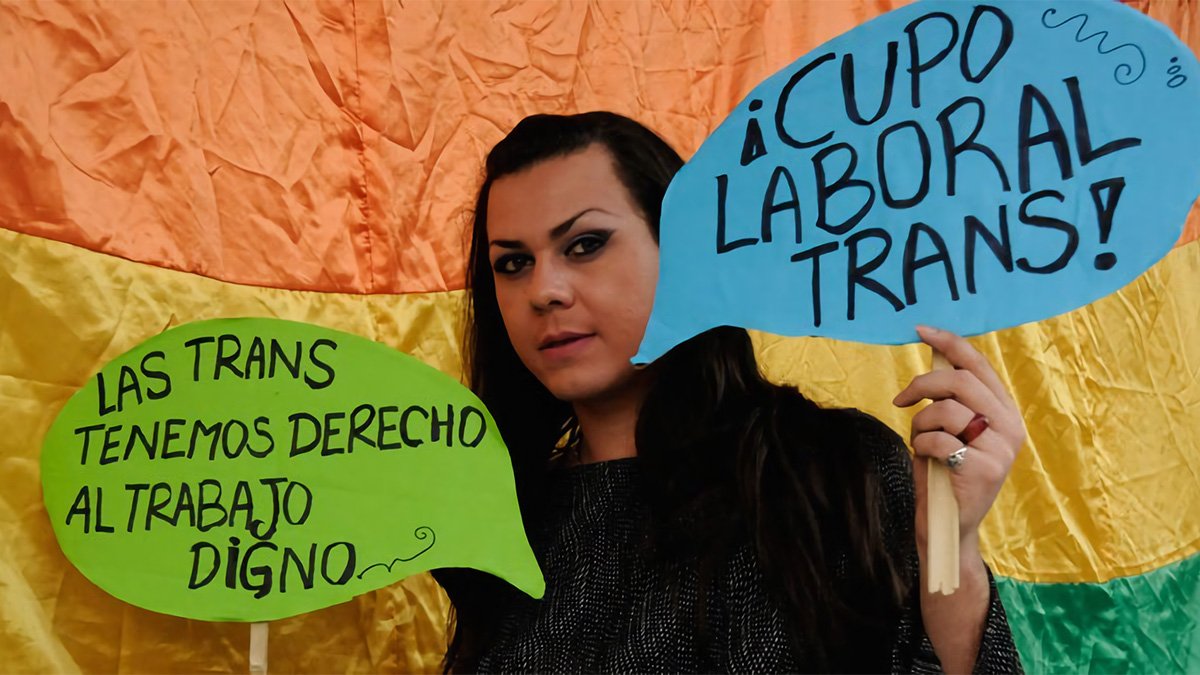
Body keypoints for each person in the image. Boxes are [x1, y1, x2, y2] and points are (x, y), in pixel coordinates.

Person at [432, 112, 1025, 673]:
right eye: (513, 263)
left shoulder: (833, 470)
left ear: (682, 250)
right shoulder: (498, 521)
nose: (544, 291)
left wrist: (950, 549)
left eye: (585, 244)